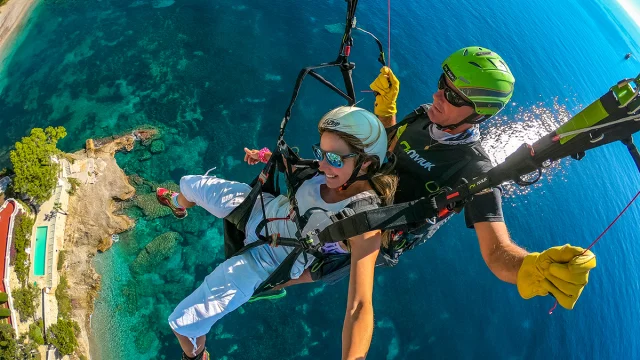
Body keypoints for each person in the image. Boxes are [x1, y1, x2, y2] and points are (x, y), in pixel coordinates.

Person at [266, 46, 596, 313]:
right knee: (294, 179)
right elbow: (387, 145)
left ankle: (271, 286)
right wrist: (387, 107)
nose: (439, 96)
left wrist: (530, 268)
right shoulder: (424, 115)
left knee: (315, 264)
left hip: (379, 231)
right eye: (443, 83)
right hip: (361, 193)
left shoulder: (475, 169)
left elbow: (497, 250)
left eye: (453, 97)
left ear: (478, 113)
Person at [157, 106, 397, 360]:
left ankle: (197, 357)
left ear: (366, 164)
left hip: (265, 262)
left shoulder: (362, 222)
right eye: (321, 152)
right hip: (261, 209)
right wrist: (264, 156)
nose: (323, 165)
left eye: (334, 159)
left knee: (184, 324)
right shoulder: (327, 171)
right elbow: (290, 163)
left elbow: (359, 305)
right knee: (189, 184)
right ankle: (179, 204)